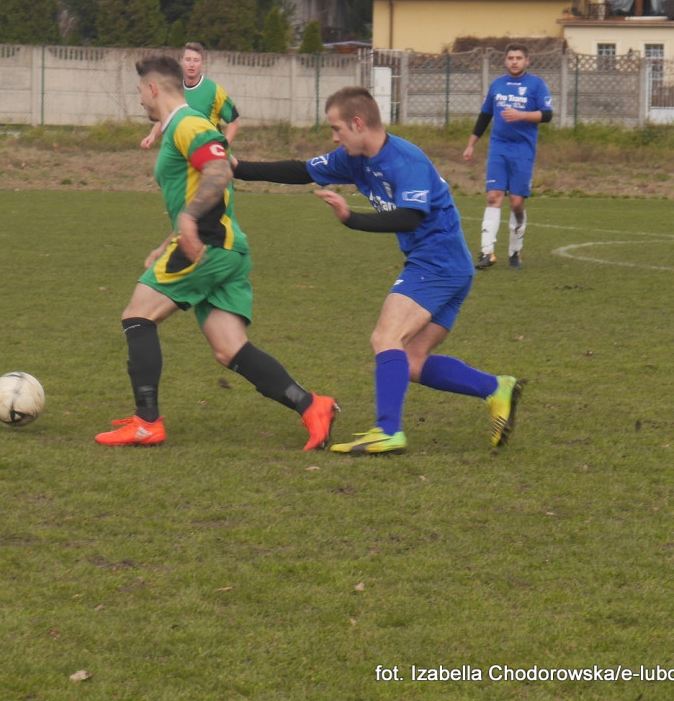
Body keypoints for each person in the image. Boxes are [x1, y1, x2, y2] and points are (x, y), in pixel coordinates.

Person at [232, 87, 522, 455]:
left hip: (437, 263)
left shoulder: (406, 160)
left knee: (385, 338)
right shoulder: (353, 157)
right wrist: (239, 168)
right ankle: (496, 388)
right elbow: (301, 170)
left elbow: (410, 216)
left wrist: (351, 218)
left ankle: (388, 430)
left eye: (337, 128)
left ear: (358, 123)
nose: (334, 137)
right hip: (446, 265)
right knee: (411, 361)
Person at [95, 54, 338, 450]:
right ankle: (313, 406)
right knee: (230, 349)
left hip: (206, 246)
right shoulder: (182, 125)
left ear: (154, 88)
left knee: (138, 316)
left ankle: (146, 422)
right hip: (224, 246)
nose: (139, 99)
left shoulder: (188, 124)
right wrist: (170, 237)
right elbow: (198, 188)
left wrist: (188, 224)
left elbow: (220, 171)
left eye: (140, 90)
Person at [462, 43, 552, 270]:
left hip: (523, 149)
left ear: (527, 61)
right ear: (505, 61)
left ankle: (515, 251)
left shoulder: (536, 84)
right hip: (498, 147)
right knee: (494, 196)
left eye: (518, 58)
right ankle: (486, 252)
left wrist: (522, 115)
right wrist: (471, 145)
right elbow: (484, 117)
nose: (514, 61)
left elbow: (548, 115)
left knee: (516, 203)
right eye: (510, 58)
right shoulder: (497, 84)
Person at [140, 42, 240, 150]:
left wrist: (222, 149)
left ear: (202, 63)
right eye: (188, 60)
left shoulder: (214, 90)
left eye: (196, 60)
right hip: (182, 155)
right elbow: (166, 118)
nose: (191, 64)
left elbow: (233, 123)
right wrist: (152, 135)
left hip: (207, 154)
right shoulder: (173, 88)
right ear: (181, 62)